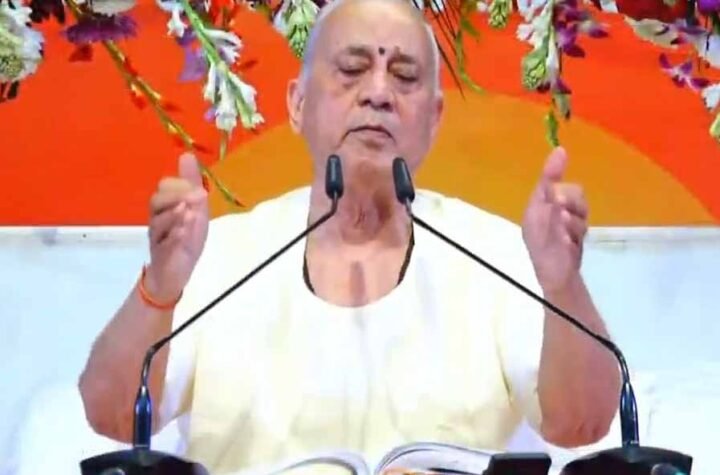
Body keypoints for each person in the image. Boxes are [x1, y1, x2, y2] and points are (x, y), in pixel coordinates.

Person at [78, 0, 621, 473]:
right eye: (353, 69)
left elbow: (580, 424)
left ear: (434, 118)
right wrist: (161, 288)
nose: (379, 93)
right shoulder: (222, 254)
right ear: (297, 104)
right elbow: (111, 416)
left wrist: (562, 286)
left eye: (405, 76)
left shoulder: (495, 253)